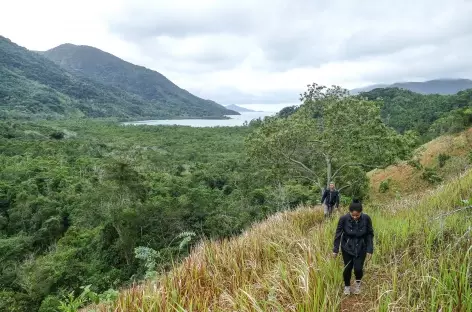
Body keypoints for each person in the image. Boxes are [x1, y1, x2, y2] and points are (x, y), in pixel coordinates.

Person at [332, 199, 374, 295]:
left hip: (361, 247)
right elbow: (338, 234)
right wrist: (335, 249)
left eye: (357, 215)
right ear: (349, 212)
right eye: (353, 215)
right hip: (347, 247)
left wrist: (370, 249)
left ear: (361, 212)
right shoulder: (343, 219)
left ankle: (358, 284)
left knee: (358, 268)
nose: (355, 217)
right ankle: (347, 286)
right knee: (347, 268)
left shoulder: (366, 218)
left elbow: (370, 234)